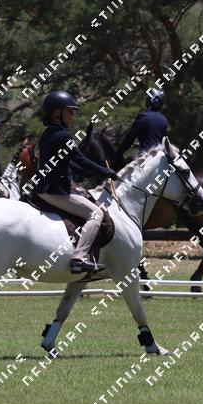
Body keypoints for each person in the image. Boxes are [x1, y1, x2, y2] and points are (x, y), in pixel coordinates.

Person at [32, 90, 118, 274]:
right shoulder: (63, 136)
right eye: (69, 111)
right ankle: (79, 258)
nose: (72, 115)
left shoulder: (48, 133)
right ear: (57, 113)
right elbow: (82, 160)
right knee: (96, 214)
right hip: (54, 190)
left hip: (44, 188)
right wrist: (107, 172)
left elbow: (68, 162)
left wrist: (84, 173)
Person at [114, 89, 168, 165]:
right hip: (161, 158)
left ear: (150, 100)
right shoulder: (164, 120)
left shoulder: (143, 117)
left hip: (146, 156)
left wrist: (117, 154)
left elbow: (129, 139)